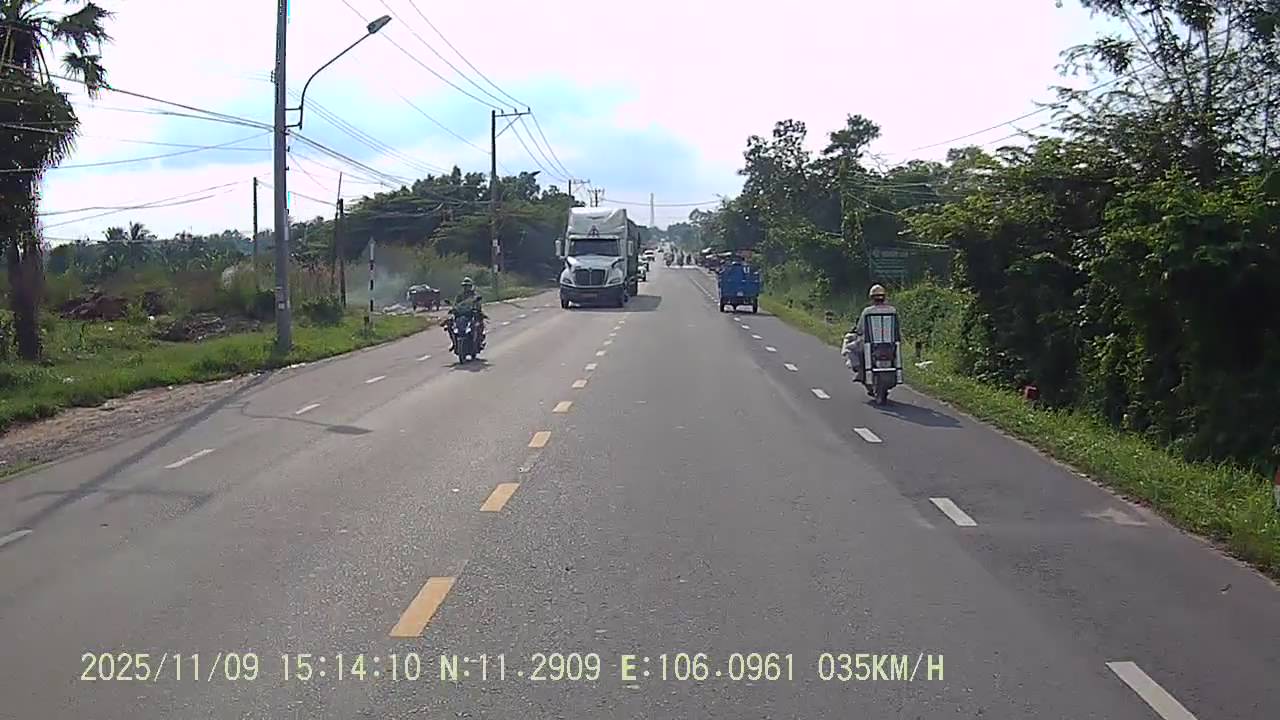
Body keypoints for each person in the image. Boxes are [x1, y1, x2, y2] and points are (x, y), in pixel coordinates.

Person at [842, 284, 898, 383]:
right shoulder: (892, 310)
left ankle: (859, 370)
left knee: (849, 347)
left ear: (872, 298)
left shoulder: (867, 311)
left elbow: (860, 328)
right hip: (890, 343)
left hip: (870, 343)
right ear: (884, 297)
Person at [446, 277, 486, 352]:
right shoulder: (459, 296)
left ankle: (479, 341)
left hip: (471, 315)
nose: (466, 288)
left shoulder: (474, 295)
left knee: (478, 324)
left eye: (468, 286)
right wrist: (453, 308)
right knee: (449, 324)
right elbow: (456, 304)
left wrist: (476, 309)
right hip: (461, 315)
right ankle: (454, 343)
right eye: (465, 286)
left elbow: (478, 304)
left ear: (471, 286)